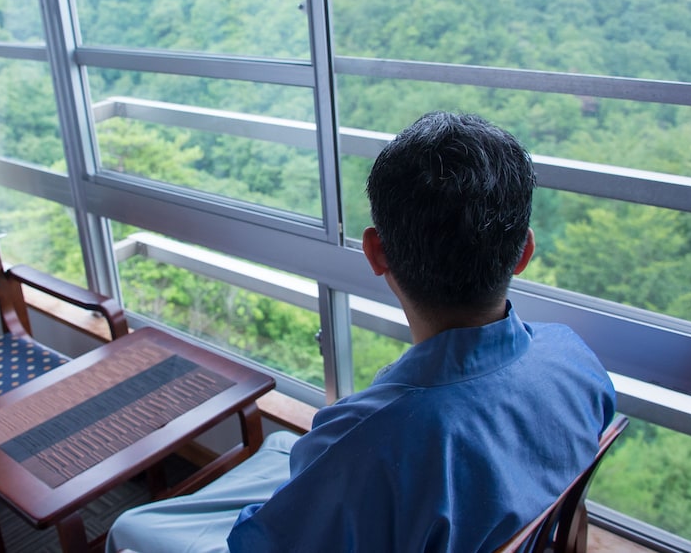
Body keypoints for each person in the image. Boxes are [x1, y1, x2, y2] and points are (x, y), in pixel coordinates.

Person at [107, 111, 615, 553]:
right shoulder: (576, 361)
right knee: (286, 449)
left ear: (375, 254)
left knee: (131, 526)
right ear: (524, 252)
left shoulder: (366, 444)